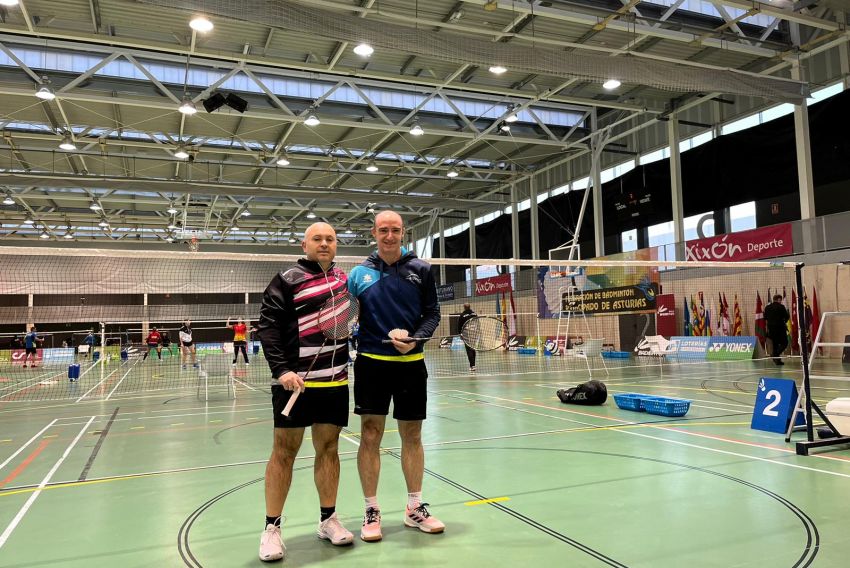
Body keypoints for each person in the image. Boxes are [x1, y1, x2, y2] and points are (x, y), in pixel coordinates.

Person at [256, 222, 354, 562]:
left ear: (336, 244)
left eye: (330, 239)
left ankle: (328, 519)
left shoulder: (344, 280)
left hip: (335, 382)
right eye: (317, 239)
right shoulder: (287, 280)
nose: (324, 243)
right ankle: (271, 529)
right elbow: (267, 327)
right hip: (294, 383)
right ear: (304, 244)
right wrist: (281, 370)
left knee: (329, 449)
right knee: (284, 452)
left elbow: (349, 322)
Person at [347, 210, 443, 542]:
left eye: (396, 230)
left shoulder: (422, 269)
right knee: (370, 435)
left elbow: (433, 313)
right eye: (384, 230)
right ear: (374, 232)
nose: (390, 236)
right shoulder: (359, 274)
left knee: (412, 435)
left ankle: (414, 507)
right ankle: (371, 510)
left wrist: (416, 338)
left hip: (411, 363)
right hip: (372, 363)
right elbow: (345, 317)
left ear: (404, 232)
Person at [764, 294, 790, 365]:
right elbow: (787, 316)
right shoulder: (781, 307)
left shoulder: (767, 307)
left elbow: (765, 318)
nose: (781, 301)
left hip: (771, 329)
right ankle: (775, 355)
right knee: (785, 343)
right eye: (780, 300)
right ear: (778, 299)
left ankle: (777, 361)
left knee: (775, 345)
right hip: (780, 328)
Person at [457, 303, 477, 372]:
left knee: (469, 350)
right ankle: (473, 365)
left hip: (466, 334)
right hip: (474, 333)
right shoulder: (474, 314)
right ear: (469, 307)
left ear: (464, 307)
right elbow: (477, 323)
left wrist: (460, 334)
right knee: (473, 349)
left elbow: (459, 326)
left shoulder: (462, 315)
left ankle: (472, 366)